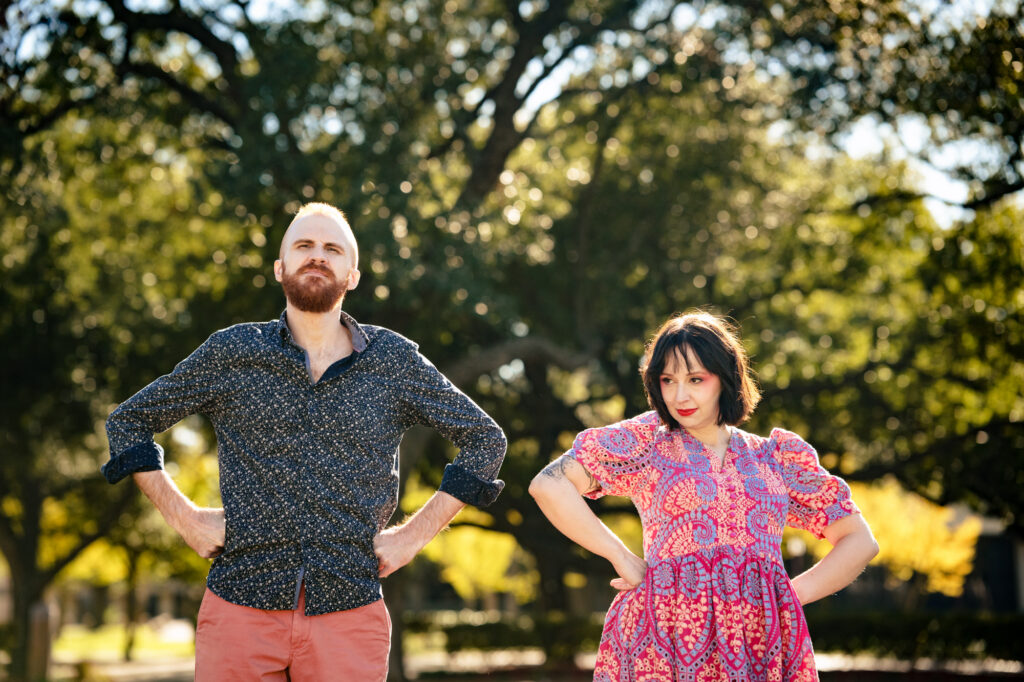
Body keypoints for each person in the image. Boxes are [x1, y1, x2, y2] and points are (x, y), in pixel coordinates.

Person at [102, 202, 507, 681]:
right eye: (304, 246)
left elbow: (485, 439)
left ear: (352, 275)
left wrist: (411, 538)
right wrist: (185, 518)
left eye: (333, 249)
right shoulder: (233, 351)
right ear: (280, 267)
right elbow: (127, 422)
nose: (318, 256)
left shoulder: (393, 361)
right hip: (239, 607)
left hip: (349, 611)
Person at [529, 311, 878, 681]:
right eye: (667, 380)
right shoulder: (648, 441)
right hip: (665, 641)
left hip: (758, 644)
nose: (680, 395)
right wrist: (621, 557)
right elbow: (548, 485)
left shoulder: (776, 458)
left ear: (726, 379)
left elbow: (859, 541)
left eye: (696, 379)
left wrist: (788, 596)